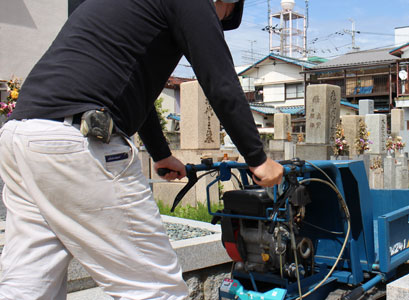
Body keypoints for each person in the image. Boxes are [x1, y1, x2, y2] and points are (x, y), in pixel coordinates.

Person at [0, 0, 283, 298]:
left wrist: (161, 154)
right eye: (223, 17)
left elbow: (135, 88)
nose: (216, 22)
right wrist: (258, 159)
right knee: (155, 289)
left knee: (28, 283)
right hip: (77, 145)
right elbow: (220, 81)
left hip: (21, 136)